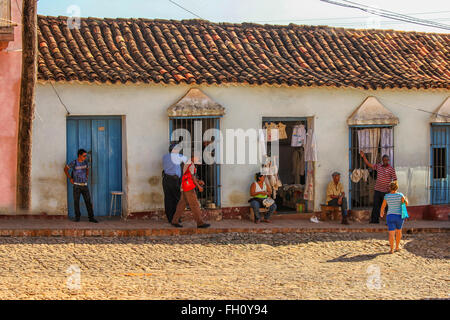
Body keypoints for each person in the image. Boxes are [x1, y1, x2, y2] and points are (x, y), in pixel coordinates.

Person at [170, 155, 210, 228]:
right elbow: (192, 177)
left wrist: (198, 181)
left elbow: (188, 176)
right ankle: (200, 223)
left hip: (184, 186)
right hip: (189, 188)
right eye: (198, 158)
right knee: (195, 205)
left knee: (181, 205)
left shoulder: (187, 163)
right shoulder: (191, 164)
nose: (199, 160)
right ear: (194, 157)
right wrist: (199, 186)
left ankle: (174, 221)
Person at [360, 151, 397, 224]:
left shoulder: (391, 169)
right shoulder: (378, 166)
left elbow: (395, 179)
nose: (385, 161)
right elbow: (369, 165)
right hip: (377, 190)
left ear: (388, 161)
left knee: (387, 207)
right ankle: (375, 220)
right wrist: (363, 156)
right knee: (376, 205)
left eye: (386, 160)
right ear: (382, 160)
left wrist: (392, 189)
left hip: (386, 191)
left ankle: (389, 221)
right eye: (384, 160)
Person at [64, 149, 98, 223]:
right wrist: (70, 178)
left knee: (88, 202)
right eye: (84, 156)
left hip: (84, 185)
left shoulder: (86, 162)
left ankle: (91, 218)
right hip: (76, 186)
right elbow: (65, 169)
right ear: (79, 155)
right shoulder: (74, 163)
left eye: (86, 156)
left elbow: (87, 169)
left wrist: (87, 175)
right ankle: (77, 217)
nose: (85, 157)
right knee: (76, 202)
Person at [162, 142, 188, 223]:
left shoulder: (165, 157)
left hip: (166, 179)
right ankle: (176, 218)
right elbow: (188, 161)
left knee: (168, 199)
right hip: (174, 180)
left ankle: (170, 218)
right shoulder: (178, 156)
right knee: (177, 199)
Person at [380, 181, 408, 254]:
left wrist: (382, 213)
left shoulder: (387, 196)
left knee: (391, 233)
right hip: (399, 216)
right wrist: (406, 199)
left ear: (390, 188)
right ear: (396, 188)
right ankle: (397, 247)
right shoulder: (400, 195)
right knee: (399, 231)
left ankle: (391, 250)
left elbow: (383, 207)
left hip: (390, 216)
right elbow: (405, 204)